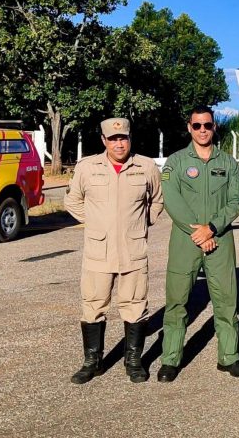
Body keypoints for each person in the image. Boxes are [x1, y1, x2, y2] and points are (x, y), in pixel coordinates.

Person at [64, 117, 163, 384]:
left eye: (123, 138)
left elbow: (156, 201)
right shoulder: (87, 167)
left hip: (133, 250)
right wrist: (97, 224)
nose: (119, 144)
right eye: (113, 139)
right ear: (104, 140)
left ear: (130, 138)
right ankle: (92, 360)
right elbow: (72, 201)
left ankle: (133, 360)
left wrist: (140, 225)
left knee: (135, 305)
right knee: (93, 305)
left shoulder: (146, 166)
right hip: (98, 251)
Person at [157, 106, 239, 382]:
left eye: (207, 125)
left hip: (220, 239)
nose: (202, 130)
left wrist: (212, 228)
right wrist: (197, 232)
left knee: (226, 300)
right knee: (177, 301)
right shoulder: (175, 162)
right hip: (185, 241)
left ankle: (229, 357)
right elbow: (171, 199)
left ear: (214, 127)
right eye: (196, 125)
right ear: (189, 127)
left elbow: (237, 200)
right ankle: (171, 359)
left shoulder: (228, 163)